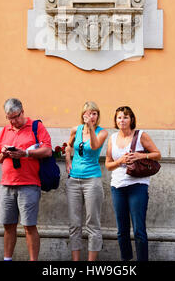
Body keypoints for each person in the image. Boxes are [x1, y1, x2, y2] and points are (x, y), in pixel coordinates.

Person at [0, 98, 52, 261]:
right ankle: (7, 259)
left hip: (29, 185)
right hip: (6, 185)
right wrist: (4, 154)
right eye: (9, 118)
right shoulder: (5, 130)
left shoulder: (36, 127)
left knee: (29, 226)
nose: (13, 121)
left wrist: (25, 153)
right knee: (8, 226)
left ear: (22, 111)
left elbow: (47, 150)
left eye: (16, 117)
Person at [105, 106, 161, 261]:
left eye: (125, 117)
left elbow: (158, 155)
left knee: (138, 230)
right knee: (121, 231)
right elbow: (108, 164)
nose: (122, 120)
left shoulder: (141, 135)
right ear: (115, 120)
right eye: (119, 117)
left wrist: (138, 156)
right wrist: (120, 161)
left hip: (138, 186)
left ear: (131, 119)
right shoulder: (112, 138)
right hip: (117, 186)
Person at [65, 101, 108, 261]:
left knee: (92, 224)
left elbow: (95, 146)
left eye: (94, 113)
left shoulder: (102, 132)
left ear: (98, 115)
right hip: (74, 181)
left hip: (92, 180)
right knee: (74, 224)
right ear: (82, 115)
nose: (91, 116)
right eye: (88, 113)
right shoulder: (75, 130)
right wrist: (68, 160)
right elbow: (68, 146)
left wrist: (90, 127)